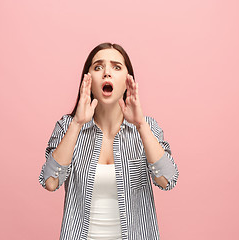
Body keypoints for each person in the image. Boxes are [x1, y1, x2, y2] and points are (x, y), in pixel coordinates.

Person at [39, 42, 179, 240]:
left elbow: (167, 180)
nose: (106, 72)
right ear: (87, 79)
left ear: (127, 80)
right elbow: (50, 182)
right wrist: (77, 123)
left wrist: (140, 125)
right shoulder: (67, 127)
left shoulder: (148, 128)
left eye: (116, 67)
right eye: (98, 67)